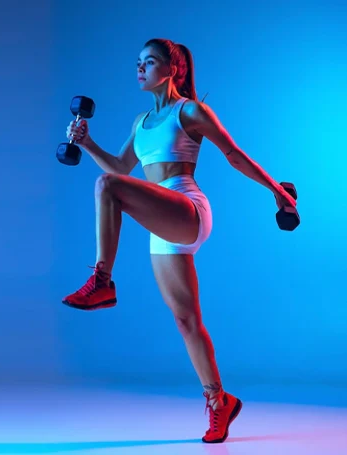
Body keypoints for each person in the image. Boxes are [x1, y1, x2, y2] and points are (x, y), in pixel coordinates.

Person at [60, 38, 298, 444]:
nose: (140, 68)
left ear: (173, 70)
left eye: (149, 62)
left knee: (107, 186)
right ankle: (219, 401)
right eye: (137, 62)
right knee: (186, 320)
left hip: (187, 206)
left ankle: (102, 281)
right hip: (163, 222)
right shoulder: (140, 123)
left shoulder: (190, 111)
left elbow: (234, 155)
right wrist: (87, 143)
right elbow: (121, 166)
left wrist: (277, 191)